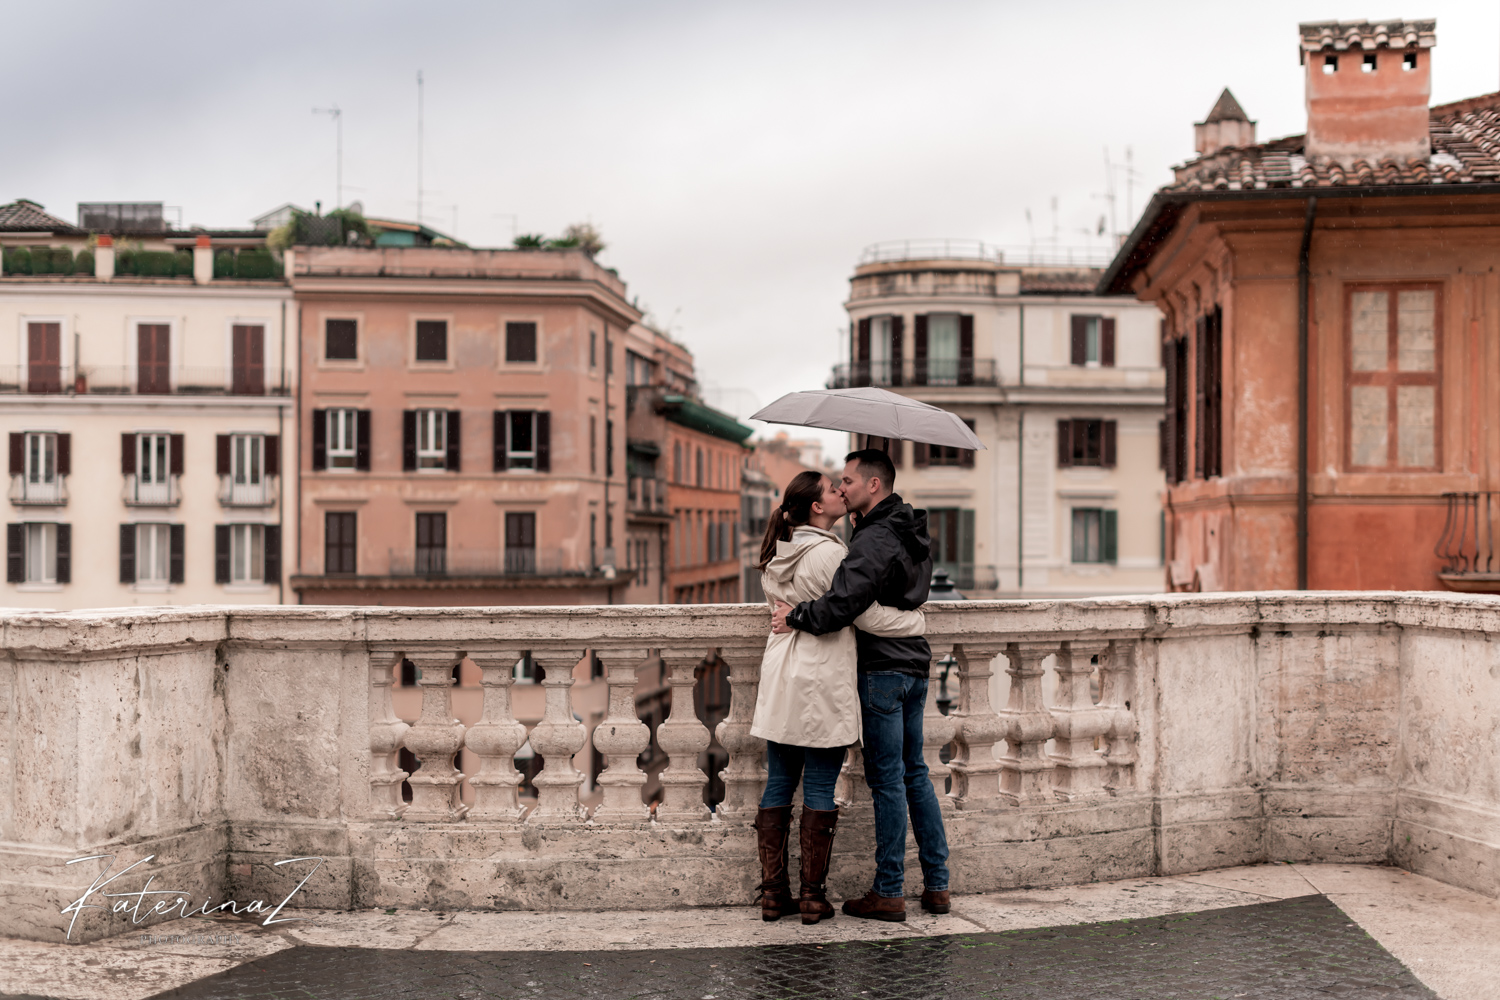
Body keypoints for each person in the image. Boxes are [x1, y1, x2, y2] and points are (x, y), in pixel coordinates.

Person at [771, 448, 949, 923]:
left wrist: (797, 615)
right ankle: (937, 885)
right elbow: (906, 599)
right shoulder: (910, 530)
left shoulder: (874, 537)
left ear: (873, 485)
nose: (842, 487)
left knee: (889, 780)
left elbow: (844, 604)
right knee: (915, 773)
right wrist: (915, 625)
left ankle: (888, 890)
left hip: (882, 669)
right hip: (913, 666)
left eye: (847, 480)